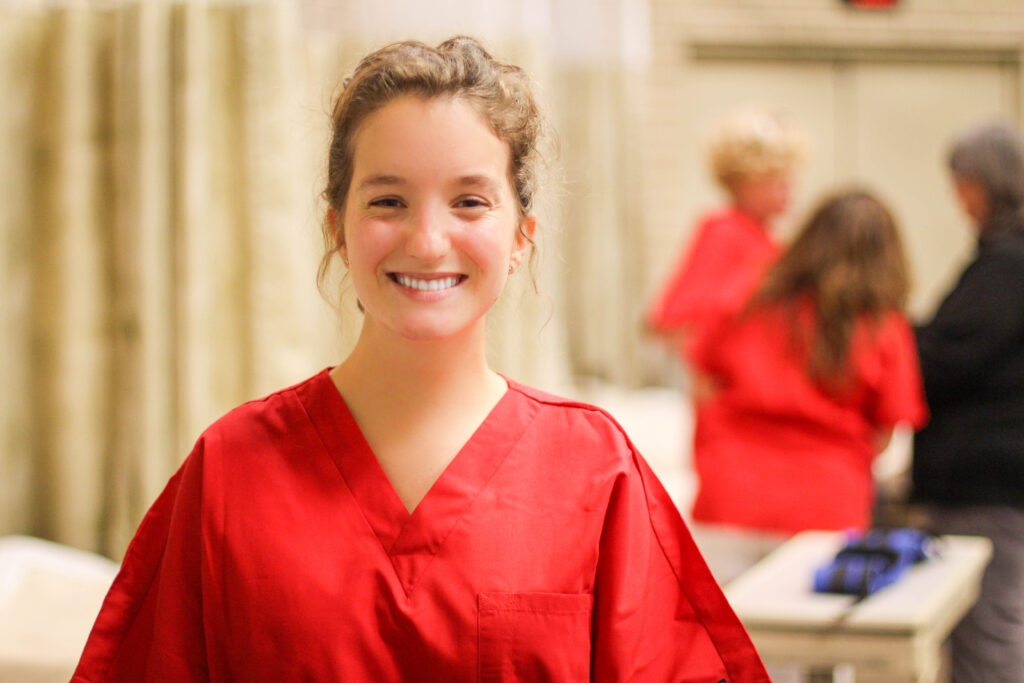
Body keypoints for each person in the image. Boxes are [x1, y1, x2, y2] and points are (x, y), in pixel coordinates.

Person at [72, 37, 768, 682]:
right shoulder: (230, 471)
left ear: (521, 234)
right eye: (387, 200)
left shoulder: (596, 470)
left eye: (469, 201)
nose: (429, 240)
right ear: (336, 228)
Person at [687, 190, 928, 582]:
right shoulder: (884, 326)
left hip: (730, 496)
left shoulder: (745, 296)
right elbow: (886, 432)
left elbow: (701, 382)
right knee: (802, 641)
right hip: (826, 506)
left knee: (720, 639)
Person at [912, 122, 1024, 683]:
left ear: (988, 184)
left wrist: (889, 339)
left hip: (990, 483)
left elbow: (946, 358)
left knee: (987, 639)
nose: (958, 198)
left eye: (962, 184)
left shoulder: (1009, 263)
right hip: (993, 480)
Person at [646, 106, 805, 355]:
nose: (787, 187)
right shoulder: (724, 231)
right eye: (773, 177)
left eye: (788, 176)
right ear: (740, 181)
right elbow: (670, 322)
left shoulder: (768, 239)